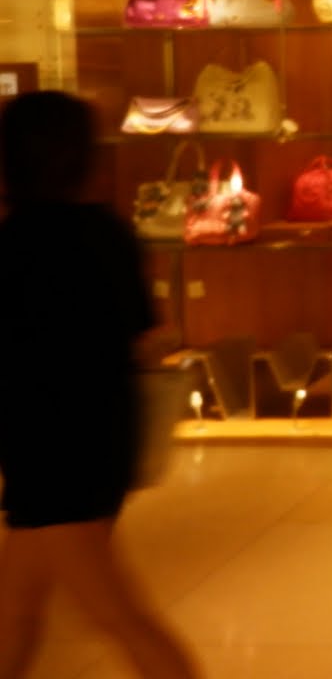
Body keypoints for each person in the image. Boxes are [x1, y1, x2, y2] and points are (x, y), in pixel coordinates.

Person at [0, 91, 199, 678]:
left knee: (117, 615)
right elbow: (140, 332)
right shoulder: (108, 233)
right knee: (17, 608)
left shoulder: (14, 243)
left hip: (50, 451)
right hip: (100, 438)